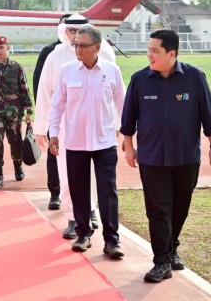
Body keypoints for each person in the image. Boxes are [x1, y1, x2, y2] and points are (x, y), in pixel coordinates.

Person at [121, 29, 211, 283]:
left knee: (180, 207)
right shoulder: (139, 79)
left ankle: (172, 247)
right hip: (152, 158)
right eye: (148, 50)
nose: (149, 55)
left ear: (172, 53)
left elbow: (207, 112)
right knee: (157, 209)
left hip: (186, 156)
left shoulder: (195, 78)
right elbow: (128, 117)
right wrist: (129, 147)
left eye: (155, 51)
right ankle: (162, 261)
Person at [35, 14, 116, 238]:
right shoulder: (55, 56)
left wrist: (118, 126)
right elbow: (45, 93)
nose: (74, 37)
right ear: (65, 32)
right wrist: (43, 128)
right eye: (70, 31)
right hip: (66, 128)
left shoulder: (106, 53)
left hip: (100, 127)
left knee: (97, 175)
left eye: (78, 32)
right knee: (68, 174)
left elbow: (115, 93)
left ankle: (91, 211)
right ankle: (72, 217)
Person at [48, 25, 126, 259]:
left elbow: (122, 103)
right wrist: (53, 133)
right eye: (76, 45)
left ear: (97, 48)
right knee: (79, 190)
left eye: (83, 45)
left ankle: (112, 240)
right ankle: (84, 234)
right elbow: (57, 104)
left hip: (104, 142)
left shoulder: (112, 71)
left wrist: (126, 133)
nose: (78, 49)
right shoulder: (67, 71)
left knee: (107, 192)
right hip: (75, 142)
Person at [32, 13, 71, 210]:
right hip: (55, 113)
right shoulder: (50, 51)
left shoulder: (84, 51)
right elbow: (40, 83)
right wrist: (44, 113)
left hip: (77, 115)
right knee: (54, 153)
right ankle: (55, 193)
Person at [0, 35, 33, 189]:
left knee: (15, 142)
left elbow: (24, 89)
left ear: (8, 48)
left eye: (2, 48)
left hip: (14, 113)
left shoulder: (16, 67)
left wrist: (28, 111)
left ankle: (18, 167)